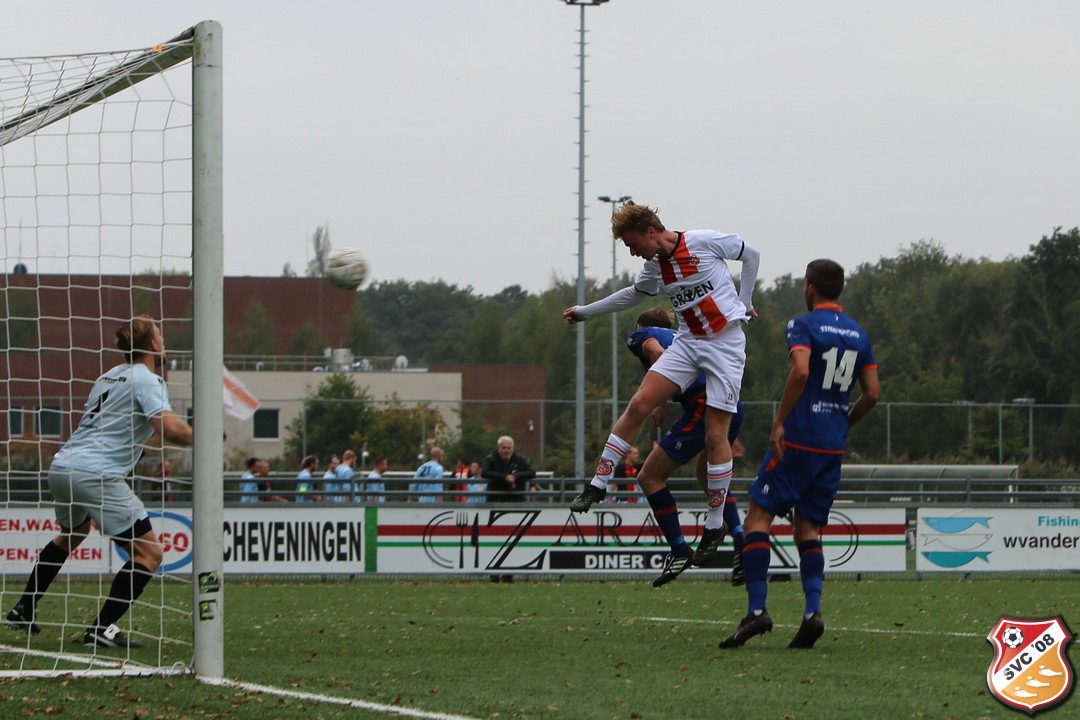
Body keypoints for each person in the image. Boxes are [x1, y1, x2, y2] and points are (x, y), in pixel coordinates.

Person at [563, 202, 759, 561]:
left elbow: (752, 255)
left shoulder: (704, 241)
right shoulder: (655, 266)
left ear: (651, 232)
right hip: (688, 342)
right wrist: (585, 312)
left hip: (726, 345)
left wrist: (745, 302)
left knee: (716, 437)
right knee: (639, 403)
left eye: (633, 244)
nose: (634, 252)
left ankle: (714, 525)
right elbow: (632, 294)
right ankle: (597, 484)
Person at [5, 315, 193, 649]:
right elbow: (171, 429)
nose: (163, 340)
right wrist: (204, 432)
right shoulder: (147, 379)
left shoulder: (107, 376)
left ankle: (24, 608)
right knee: (150, 554)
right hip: (96, 472)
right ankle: (102, 628)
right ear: (152, 344)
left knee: (73, 533)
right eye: (160, 335)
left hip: (64, 466)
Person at [719, 259, 878, 650]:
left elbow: (801, 372)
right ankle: (812, 612)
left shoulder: (803, 325)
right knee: (808, 528)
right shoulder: (859, 334)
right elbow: (872, 393)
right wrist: (843, 423)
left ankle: (757, 611)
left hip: (797, 441)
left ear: (810, 287)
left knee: (758, 517)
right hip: (830, 446)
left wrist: (779, 423)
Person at [621, 307, 748, 587]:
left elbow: (658, 356)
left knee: (649, 476)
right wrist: (663, 402)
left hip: (705, 406)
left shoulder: (642, 334)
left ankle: (679, 550)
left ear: (641, 324)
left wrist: (655, 400)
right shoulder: (683, 334)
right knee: (708, 479)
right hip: (731, 402)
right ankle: (742, 543)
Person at [481, 436, 537, 503]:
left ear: (512, 449)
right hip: (496, 499)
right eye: (503, 448)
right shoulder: (490, 459)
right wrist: (505, 477)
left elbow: (532, 473)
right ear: (498, 449)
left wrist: (515, 476)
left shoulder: (520, 459)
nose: (506, 451)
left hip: (517, 499)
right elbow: (484, 472)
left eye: (509, 448)